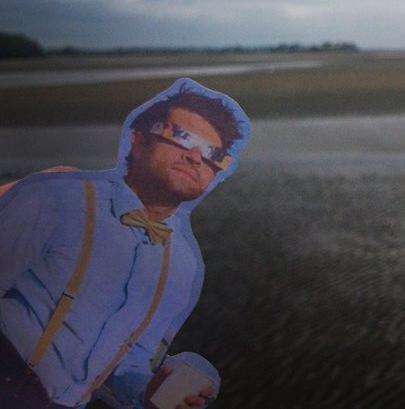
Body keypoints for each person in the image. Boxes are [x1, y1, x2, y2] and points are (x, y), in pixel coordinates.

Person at [0, 78, 250, 409]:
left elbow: (128, 363)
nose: (194, 156)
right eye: (182, 136)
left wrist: (149, 390)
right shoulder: (53, 199)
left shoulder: (185, 265)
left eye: (212, 153)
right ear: (137, 139)